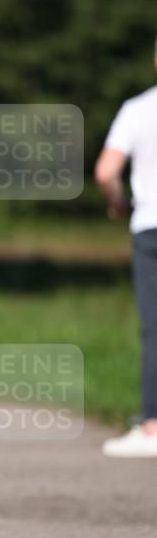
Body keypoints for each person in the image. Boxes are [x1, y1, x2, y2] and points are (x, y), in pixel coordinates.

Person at [95, 43, 157, 458]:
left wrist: (117, 201)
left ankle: (153, 427)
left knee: (155, 328)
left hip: (151, 226)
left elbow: (105, 172)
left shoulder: (138, 109)